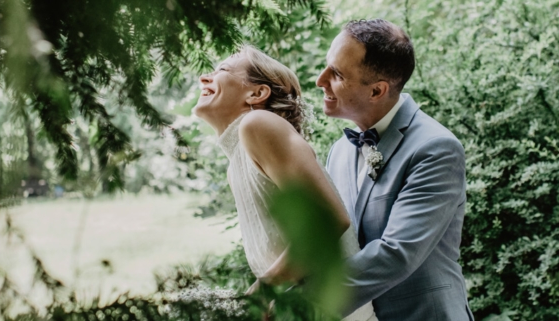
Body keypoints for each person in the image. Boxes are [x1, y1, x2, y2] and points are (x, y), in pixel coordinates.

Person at [193, 45, 377, 321]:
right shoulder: (236, 165)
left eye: (221, 70)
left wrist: (263, 291)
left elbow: (326, 220)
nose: (204, 78)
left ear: (257, 93)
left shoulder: (257, 123)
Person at [317, 19, 474, 321]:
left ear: (377, 91)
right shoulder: (339, 151)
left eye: (336, 74)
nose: (320, 80)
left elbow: (397, 253)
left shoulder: (436, 148)